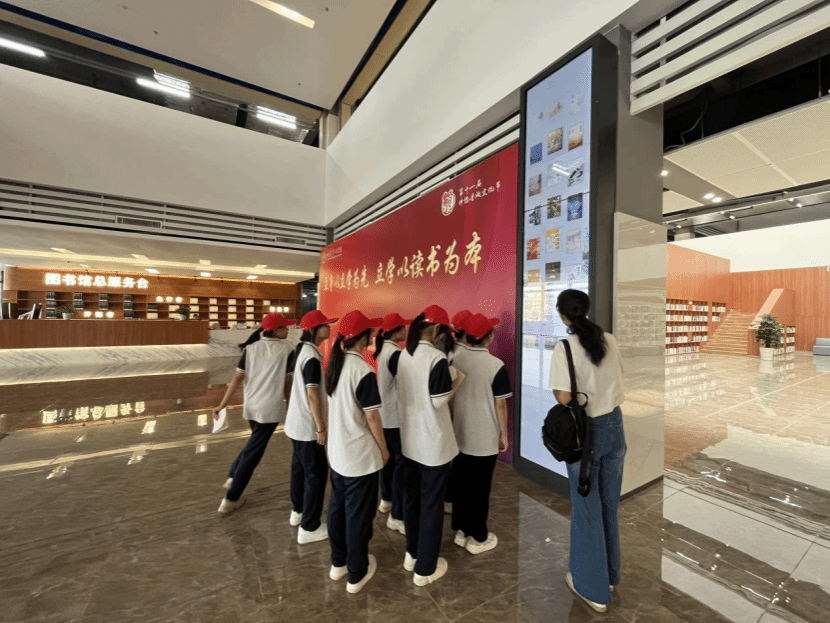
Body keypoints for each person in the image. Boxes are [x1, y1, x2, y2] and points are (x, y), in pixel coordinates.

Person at [548, 289, 625, 613]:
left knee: (587, 509)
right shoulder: (609, 340)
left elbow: (564, 397)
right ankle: (608, 575)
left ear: (563, 315)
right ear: (587, 310)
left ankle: (591, 587)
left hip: (587, 435)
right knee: (608, 505)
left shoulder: (565, 347)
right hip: (615, 427)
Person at [395, 304, 464, 586]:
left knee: (412, 500)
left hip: (410, 441)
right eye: (442, 331)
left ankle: (412, 554)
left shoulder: (404, 354)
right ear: (435, 329)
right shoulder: (436, 359)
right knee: (432, 506)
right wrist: (457, 381)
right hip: (433, 444)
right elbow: (439, 401)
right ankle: (426, 569)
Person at [325, 311, 390, 594]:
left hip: (338, 453)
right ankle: (357, 572)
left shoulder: (335, 365)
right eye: (371, 332)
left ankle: (338, 563)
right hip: (359, 457)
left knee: (338, 509)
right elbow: (372, 417)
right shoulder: (363, 371)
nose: (373, 335)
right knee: (358, 516)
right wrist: (384, 450)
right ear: (363, 337)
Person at [213, 312, 296, 515]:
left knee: (253, 444)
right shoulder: (287, 350)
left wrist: (222, 404)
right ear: (276, 330)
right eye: (285, 327)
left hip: (251, 407)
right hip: (270, 409)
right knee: (254, 452)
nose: (288, 330)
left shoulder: (251, 349)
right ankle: (231, 498)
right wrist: (291, 407)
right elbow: (288, 384)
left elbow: (236, 379)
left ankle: (233, 475)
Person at [448, 314, 512, 555]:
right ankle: (478, 537)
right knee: (480, 488)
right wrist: (503, 434)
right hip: (484, 436)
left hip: (459, 432)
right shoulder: (495, 366)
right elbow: (500, 405)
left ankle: (461, 531)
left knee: (462, 484)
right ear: (489, 337)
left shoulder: (455, 358)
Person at [284, 310, 338, 544]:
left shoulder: (304, 351)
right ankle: (310, 526)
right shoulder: (312, 357)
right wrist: (321, 427)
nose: (329, 328)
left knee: (299, 469)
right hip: (307, 427)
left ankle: (298, 511)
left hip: (295, 424)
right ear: (315, 329)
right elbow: (312, 394)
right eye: (326, 325)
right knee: (316, 474)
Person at [373, 312, 411, 535]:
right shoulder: (395, 353)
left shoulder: (384, 350)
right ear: (396, 331)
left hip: (385, 416)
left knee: (388, 461)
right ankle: (397, 515)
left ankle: (386, 500)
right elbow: (406, 383)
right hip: (394, 417)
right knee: (400, 465)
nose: (406, 330)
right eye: (403, 327)